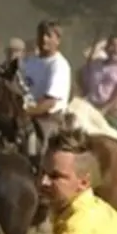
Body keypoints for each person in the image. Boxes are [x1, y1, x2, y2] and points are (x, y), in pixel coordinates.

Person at [22, 19, 73, 155]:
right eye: (41, 34)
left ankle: (36, 164)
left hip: (49, 119)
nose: (44, 39)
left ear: (58, 40)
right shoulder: (30, 62)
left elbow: (49, 103)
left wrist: (25, 112)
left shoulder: (58, 65)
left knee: (31, 141)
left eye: (49, 35)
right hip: (27, 114)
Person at [82, 33, 117, 134]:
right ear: (106, 48)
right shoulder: (95, 64)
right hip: (91, 108)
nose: (115, 49)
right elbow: (81, 78)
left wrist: (105, 110)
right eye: (112, 45)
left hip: (115, 112)